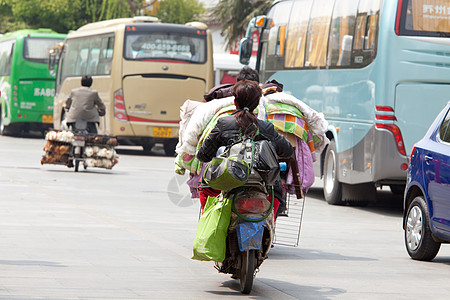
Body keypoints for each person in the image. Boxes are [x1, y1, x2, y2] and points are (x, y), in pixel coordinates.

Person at [197, 80, 294, 214]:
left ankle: (207, 218)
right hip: (262, 186)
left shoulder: (223, 123)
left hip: (227, 182)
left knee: (204, 186)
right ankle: (270, 224)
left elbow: (203, 155)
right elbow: (288, 150)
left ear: (235, 101)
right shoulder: (266, 128)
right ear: (257, 103)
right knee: (277, 191)